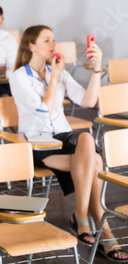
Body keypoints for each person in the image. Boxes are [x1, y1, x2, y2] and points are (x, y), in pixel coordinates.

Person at [9, 25, 128, 262]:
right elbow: (43, 110)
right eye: (46, 40)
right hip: (37, 142)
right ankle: (103, 229)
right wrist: (53, 77)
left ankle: (80, 215)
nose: (53, 44)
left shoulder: (60, 72)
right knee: (94, 160)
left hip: (64, 137)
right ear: (31, 45)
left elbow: (88, 100)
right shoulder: (19, 76)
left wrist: (96, 69)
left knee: (85, 137)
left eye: (54, 39)